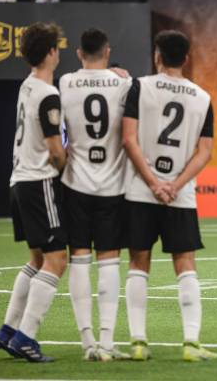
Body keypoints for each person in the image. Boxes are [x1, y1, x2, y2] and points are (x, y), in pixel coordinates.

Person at [122, 30, 217, 362]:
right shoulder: (203, 97)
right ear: (187, 58)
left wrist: (152, 182)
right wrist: (174, 186)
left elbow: (128, 139)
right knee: (186, 264)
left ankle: (138, 343)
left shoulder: (140, 86)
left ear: (157, 55)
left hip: (140, 191)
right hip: (181, 195)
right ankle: (191, 344)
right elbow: (204, 152)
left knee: (138, 262)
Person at [0, 22, 67, 362]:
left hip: (18, 181)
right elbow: (54, 150)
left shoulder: (27, 86)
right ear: (51, 52)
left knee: (36, 259)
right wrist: (71, 173)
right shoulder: (47, 94)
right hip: (39, 183)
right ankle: (25, 337)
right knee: (56, 259)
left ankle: (8, 330)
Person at [59, 28, 131, 361]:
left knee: (79, 260)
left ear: (78, 53)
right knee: (108, 262)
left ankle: (87, 342)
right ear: (107, 50)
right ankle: (106, 342)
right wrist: (121, 75)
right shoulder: (123, 84)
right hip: (112, 186)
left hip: (75, 183)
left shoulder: (65, 83)